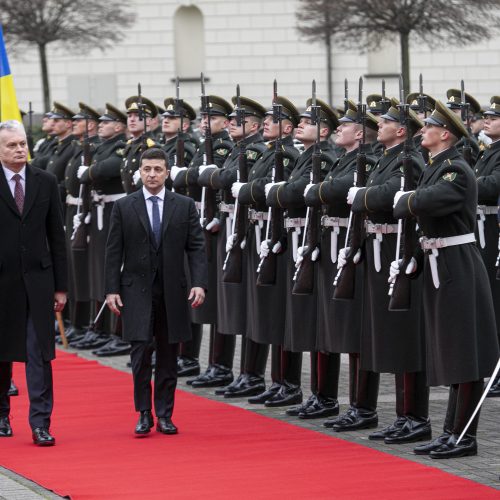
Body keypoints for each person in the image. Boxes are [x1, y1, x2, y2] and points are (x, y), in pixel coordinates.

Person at [394, 100, 499, 458]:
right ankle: (450, 431)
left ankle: (464, 435)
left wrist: (406, 198)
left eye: (428, 127)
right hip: (439, 261)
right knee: (452, 351)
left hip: (457, 263)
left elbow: (432, 201)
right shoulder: (436, 166)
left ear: (445, 134)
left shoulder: (455, 169)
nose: (422, 131)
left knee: (464, 352)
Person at [105, 147, 207, 436]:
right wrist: (111, 289)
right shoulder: (125, 206)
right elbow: (113, 252)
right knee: (140, 355)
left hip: (172, 292)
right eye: (147, 169)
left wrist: (199, 282)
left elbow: (197, 247)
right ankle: (143, 413)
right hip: (135, 292)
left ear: (166, 172)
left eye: (157, 169)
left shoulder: (184, 205)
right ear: (139, 172)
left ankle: (165, 414)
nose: (152, 174)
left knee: (167, 356)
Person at [0, 120, 67, 446]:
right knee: (2, 354)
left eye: (22, 143)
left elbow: (57, 236)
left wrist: (62, 286)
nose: (19, 149)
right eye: (11, 145)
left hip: (39, 282)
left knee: (39, 353)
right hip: (2, 283)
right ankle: (2, 413)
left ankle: (41, 423)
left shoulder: (45, 181)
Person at [474, 97, 500, 397]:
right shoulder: (488, 152)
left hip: (494, 230)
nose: (488, 121)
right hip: (483, 230)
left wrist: (468, 184)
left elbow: (492, 186)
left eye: (494, 117)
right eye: (487, 117)